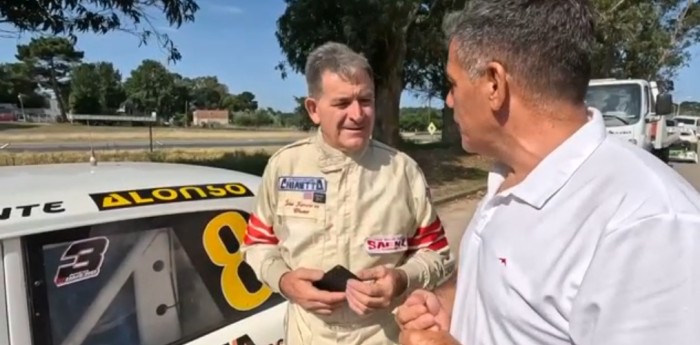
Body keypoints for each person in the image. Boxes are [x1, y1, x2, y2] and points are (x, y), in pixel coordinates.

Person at [395, 0, 700, 344]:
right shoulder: (509, 176)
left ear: (494, 84)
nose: (450, 101)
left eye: (453, 84)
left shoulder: (647, 225)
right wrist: (449, 303)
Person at [241, 41, 455, 345]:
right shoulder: (284, 167)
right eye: (342, 103)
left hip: (383, 336)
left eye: (365, 100)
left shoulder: (403, 171)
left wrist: (401, 279)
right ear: (313, 110)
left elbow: (436, 253)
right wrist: (284, 280)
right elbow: (258, 244)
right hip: (307, 335)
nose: (357, 114)